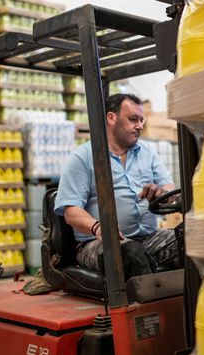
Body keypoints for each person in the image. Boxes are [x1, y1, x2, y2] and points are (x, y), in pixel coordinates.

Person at [53, 93, 181, 280]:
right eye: (133, 119)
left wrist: (163, 192)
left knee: (189, 239)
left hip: (148, 237)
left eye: (141, 120)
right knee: (131, 252)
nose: (140, 126)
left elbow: (168, 186)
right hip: (97, 243)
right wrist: (99, 228)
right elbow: (71, 212)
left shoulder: (147, 152)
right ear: (111, 118)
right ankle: (144, 308)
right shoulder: (83, 157)